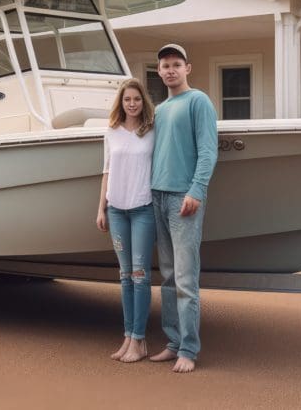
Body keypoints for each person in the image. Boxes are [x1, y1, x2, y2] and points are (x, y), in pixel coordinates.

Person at [148, 43, 218, 373]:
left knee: (186, 280)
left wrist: (197, 190)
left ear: (187, 68)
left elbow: (208, 151)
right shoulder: (159, 109)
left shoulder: (198, 101)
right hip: (157, 197)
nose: (170, 69)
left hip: (183, 199)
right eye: (165, 65)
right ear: (159, 71)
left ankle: (189, 349)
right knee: (167, 277)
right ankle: (173, 343)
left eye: (176, 64)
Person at [96, 77, 157, 363]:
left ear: (143, 101)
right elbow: (106, 171)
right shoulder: (111, 132)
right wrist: (101, 208)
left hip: (143, 208)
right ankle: (128, 337)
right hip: (117, 209)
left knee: (140, 276)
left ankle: (140, 339)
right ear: (121, 103)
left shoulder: (152, 131)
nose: (131, 104)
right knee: (124, 278)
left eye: (136, 99)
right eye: (127, 99)